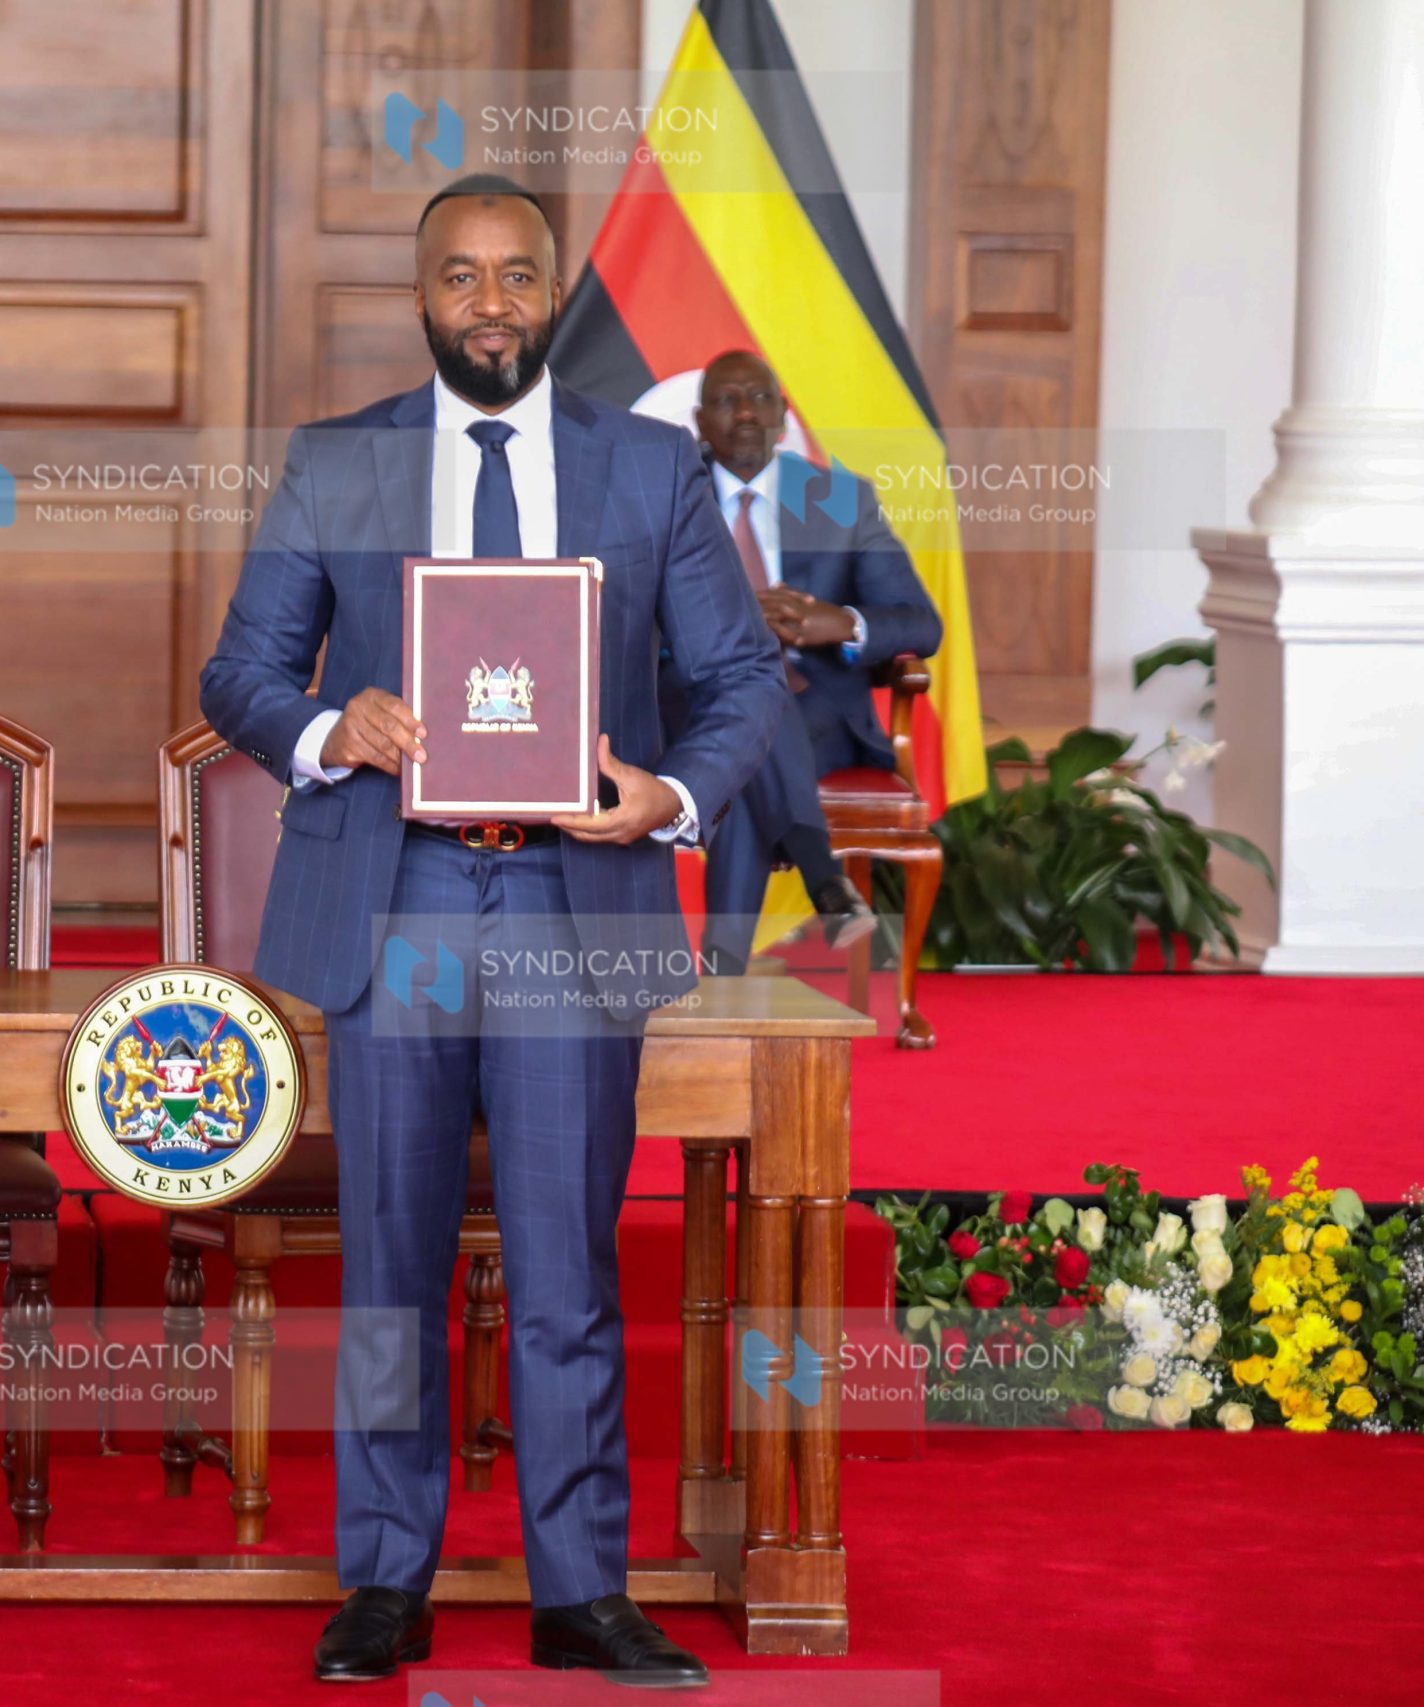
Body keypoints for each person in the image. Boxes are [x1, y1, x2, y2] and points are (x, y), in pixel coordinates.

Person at [200, 175, 785, 1687]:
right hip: (394, 900)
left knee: (567, 1266)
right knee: (388, 1261)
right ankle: (384, 1578)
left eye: (516, 274)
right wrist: (338, 720)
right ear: (423, 299)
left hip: (568, 905)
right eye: (459, 277)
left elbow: (743, 688)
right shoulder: (341, 465)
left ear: (552, 295)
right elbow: (242, 675)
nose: (491, 302)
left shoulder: (648, 472)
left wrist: (661, 792)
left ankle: (578, 1586)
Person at [679, 348, 945, 974]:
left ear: (783, 414)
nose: (744, 411)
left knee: (744, 739)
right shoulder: (668, 491)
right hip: (691, 704)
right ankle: (824, 879)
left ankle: (721, 976)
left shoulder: (840, 500)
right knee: (744, 712)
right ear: (699, 422)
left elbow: (918, 622)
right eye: (725, 400)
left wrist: (841, 621)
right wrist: (727, 624)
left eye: (759, 397)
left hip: (816, 717)